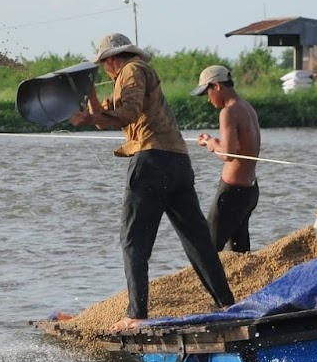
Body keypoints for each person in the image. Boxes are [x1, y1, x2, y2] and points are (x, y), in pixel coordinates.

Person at [69, 33, 234, 332]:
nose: (105, 70)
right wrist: (89, 98)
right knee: (197, 239)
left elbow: (126, 114)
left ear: (111, 60)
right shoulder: (136, 74)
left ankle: (136, 314)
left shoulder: (130, 71)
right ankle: (226, 303)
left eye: (103, 64)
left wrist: (94, 115)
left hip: (151, 162)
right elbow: (105, 114)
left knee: (133, 240)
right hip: (177, 162)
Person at [192, 64, 262, 253]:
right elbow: (240, 147)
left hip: (232, 192)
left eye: (207, 92)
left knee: (207, 249)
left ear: (216, 86)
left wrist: (211, 143)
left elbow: (227, 154)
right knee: (240, 252)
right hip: (250, 191)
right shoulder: (247, 107)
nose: (208, 99)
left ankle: (205, 283)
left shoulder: (228, 112)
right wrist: (212, 141)